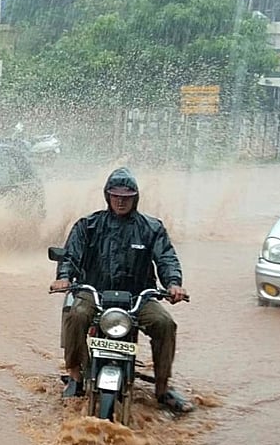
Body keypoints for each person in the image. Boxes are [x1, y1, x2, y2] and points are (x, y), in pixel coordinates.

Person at [49, 167, 194, 414]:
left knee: (165, 324)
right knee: (75, 315)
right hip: (94, 292)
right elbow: (70, 256)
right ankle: (74, 375)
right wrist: (64, 277)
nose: (120, 200)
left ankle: (162, 388)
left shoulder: (151, 227)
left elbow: (166, 258)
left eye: (126, 196)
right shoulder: (88, 225)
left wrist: (173, 284)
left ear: (135, 198)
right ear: (107, 196)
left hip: (138, 297)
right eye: (115, 195)